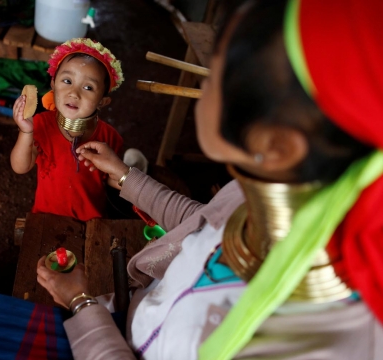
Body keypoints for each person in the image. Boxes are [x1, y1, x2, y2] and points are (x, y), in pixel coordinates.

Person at [36, 0, 383, 359]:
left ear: (277, 144)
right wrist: (126, 176)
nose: (202, 85)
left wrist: (81, 303)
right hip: (123, 320)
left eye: (214, 75)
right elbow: (203, 224)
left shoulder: (302, 341)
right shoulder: (270, 192)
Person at [10, 38, 124, 222]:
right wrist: (26, 132)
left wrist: (131, 179)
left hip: (92, 222)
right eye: (67, 80)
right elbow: (20, 167)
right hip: (46, 219)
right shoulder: (41, 125)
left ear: (103, 101)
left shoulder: (109, 137)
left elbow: (112, 179)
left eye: (88, 87)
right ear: (53, 85)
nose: (74, 93)